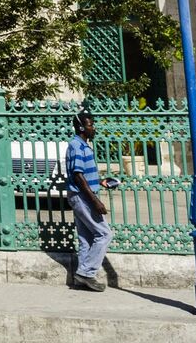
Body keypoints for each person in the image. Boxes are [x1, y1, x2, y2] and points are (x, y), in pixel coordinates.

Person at [64, 110, 118, 292]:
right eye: (90, 125)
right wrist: (95, 201)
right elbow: (78, 176)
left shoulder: (84, 146)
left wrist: (101, 182)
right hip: (82, 197)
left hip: (83, 195)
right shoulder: (76, 146)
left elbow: (84, 174)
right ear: (81, 127)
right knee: (104, 234)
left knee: (86, 239)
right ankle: (87, 272)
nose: (93, 128)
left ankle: (81, 277)